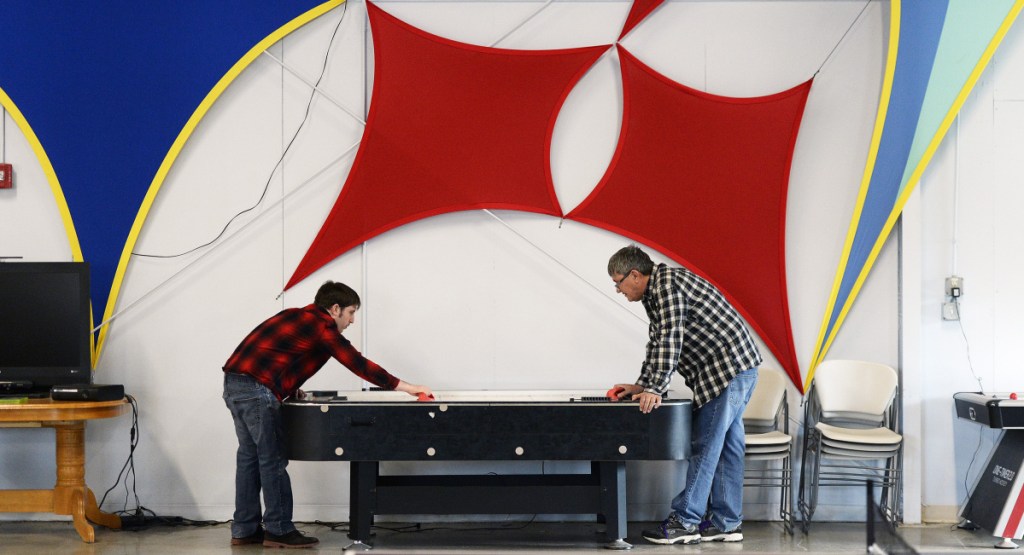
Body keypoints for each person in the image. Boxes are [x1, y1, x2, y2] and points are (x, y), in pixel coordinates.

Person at [222, 280, 432, 549]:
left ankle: (244, 529)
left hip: (235, 384)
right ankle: (278, 530)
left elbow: (275, 353)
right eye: (351, 312)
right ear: (335, 309)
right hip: (257, 390)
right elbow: (357, 363)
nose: (352, 320)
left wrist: (287, 387)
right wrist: (409, 388)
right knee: (272, 460)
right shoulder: (322, 326)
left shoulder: (295, 315)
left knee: (249, 459)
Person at [606, 245, 760, 545]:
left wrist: (656, 388)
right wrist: (642, 384)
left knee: (706, 445)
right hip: (738, 369)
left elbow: (670, 338)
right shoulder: (656, 292)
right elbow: (657, 341)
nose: (618, 290)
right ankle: (727, 523)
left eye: (618, 282)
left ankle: (686, 521)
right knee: (727, 448)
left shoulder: (667, 286)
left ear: (635, 275)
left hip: (726, 371)